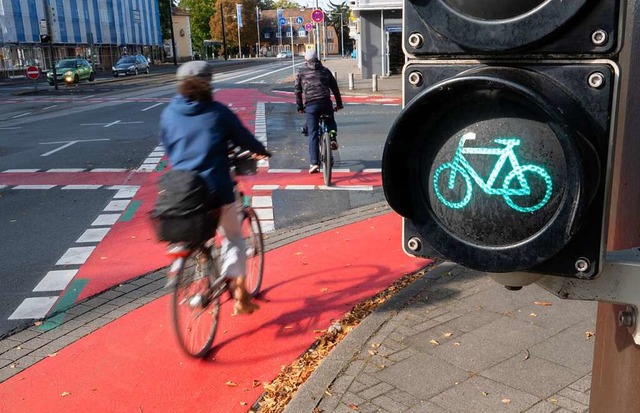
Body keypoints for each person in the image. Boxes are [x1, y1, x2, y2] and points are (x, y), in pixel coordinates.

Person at [159, 61, 270, 315]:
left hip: (181, 191)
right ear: (208, 84)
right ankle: (241, 299)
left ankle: (201, 256)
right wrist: (262, 151)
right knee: (233, 239)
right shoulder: (217, 112)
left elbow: (168, 146)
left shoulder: (168, 113)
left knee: (199, 232)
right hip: (215, 190)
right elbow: (244, 138)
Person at [294, 49, 343, 174]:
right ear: (317, 58)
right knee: (330, 119)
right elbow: (335, 88)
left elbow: (297, 91)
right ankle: (332, 137)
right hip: (325, 103)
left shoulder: (301, 72)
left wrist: (299, 106)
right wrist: (339, 104)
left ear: (306, 59)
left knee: (313, 132)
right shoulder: (325, 71)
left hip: (311, 105)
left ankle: (314, 163)